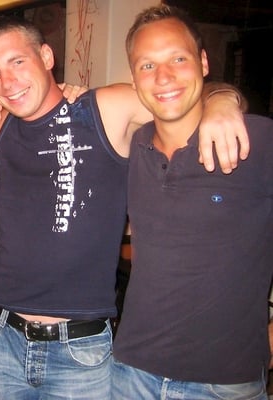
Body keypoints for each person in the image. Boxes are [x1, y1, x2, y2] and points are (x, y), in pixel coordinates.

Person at [0, 16, 248, 399]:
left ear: (47, 56)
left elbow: (177, 95)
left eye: (17, 62)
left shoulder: (104, 107)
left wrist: (222, 102)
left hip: (80, 348)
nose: (7, 81)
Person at [110, 5, 273, 399]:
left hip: (223, 384)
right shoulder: (133, 148)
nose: (163, 76)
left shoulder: (258, 142)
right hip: (130, 374)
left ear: (203, 62)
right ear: (133, 79)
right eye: (147, 65)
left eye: (178, 59)